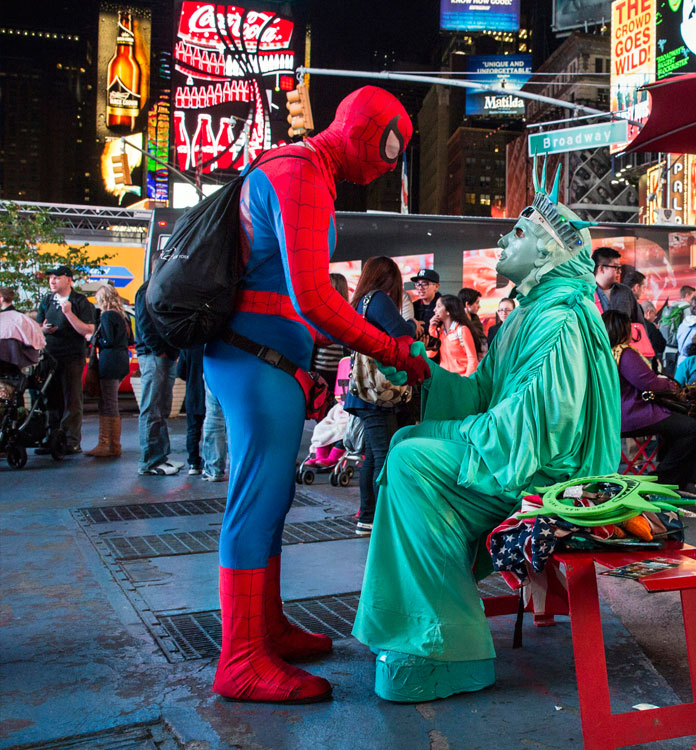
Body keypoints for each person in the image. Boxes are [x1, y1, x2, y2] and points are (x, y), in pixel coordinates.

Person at [352, 163, 619, 703]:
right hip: (519, 451)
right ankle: (425, 626)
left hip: (548, 470)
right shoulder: (527, 315)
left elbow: (542, 426)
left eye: (518, 232)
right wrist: (425, 374)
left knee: (410, 462)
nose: (503, 237)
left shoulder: (561, 318)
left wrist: (455, 427)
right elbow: (485, 394)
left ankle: (448, 646)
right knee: (405, 446)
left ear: (546, 255)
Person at [202, 86, 427, 705]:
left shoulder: (302, 172)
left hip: (264, 361)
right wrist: (390, 349)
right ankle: (241, 657)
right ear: (363, 132)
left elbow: (294, 294)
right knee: (257, 500)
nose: (387, 164)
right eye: (388, 147)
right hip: (254, 360)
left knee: (268, 500)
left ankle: (262, 628)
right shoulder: (298, 174)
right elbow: (311, 295)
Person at [345, 257, 419, 536]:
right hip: (379, 393)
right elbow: (402, 332)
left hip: (363, 391)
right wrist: (413, 325)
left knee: (371, 456)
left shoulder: (360, 302)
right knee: (383, 455)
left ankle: (368, 517)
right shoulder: (378, 299)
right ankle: (383, 523)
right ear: (390, 279)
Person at [604, 310, 696, 497]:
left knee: (678, 426)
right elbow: (649, 383)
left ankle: (678, 481)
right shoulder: (625, 354)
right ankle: (662, 480)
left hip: (612, 416)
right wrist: (670, 383)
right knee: (693, 428)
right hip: (632, 414)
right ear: (623, 330)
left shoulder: (601, 353)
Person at [35, 265, 96, 453]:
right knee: (50, 397)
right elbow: (38, 326)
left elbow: (88, 330)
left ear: (69, 280)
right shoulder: (46, 300)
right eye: (50, 278)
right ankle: (51, 438)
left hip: (72, 357)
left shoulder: (80, 301)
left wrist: (69, 313)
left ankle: (71, 441)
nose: (52, 281)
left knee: (72, 398)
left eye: (57, 277)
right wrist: (43, 330)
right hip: (50, 356)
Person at [133, 285, 180, 475]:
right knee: (152, 408)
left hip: (163, 354)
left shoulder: (161, 287)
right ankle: (149, 461)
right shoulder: (147, 290)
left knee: (160, 408)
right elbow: (144, 323)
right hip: (155, 355)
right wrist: (159, 351)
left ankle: (159, 457)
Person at [85, 285, 129, 458]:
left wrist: (93, 338)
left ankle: (109, 444)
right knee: (109, 401)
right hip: (121, 360)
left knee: (108, 403)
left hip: (110, 361)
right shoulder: (122, 316)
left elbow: (108, 340)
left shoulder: (107, 315)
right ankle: (110, 443)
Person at [309, 273, 351, 394]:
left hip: (324, 369)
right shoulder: (348, 315)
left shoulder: (321, 314)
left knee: (322, 404)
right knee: (339, 406)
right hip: (339, 370)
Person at [429, 294, 481, 376]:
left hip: (461, 378)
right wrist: (432, 328)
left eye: (438, 306)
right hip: (445, 378)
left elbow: (472, 359)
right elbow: (430, 354)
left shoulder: (462, 330)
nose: (434, 310)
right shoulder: (439, 331)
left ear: (448, 311)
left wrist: (465, 380)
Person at [177, 344, 207, 474]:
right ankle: (210, 460)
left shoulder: (187, 347)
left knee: (193, 430)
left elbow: (180, 372)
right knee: (212, 429)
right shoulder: (212, 346)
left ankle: (194, 463)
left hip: (193, 393)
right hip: (210, 393)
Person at [410, 269, 441, 363]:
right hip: (416, 355)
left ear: (436, 286)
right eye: (418, 284)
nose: (420, 288)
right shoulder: (412, 306)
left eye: (425, 284)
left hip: (440, 358)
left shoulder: (444, 306)